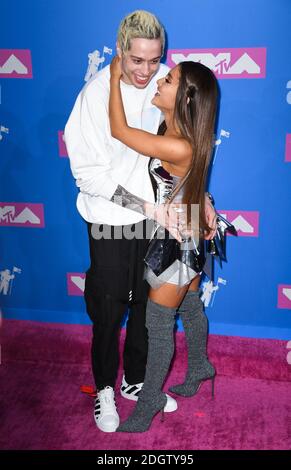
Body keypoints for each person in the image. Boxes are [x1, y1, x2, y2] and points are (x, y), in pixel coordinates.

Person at [65, 10, 217, 433]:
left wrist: (201, 197)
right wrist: (147, 207)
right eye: (136, 61)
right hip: (111, 220)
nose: (147, 71)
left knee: (146, 307)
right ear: (119, 52)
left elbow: (186, 147)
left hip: (159, 221)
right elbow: (88, 175)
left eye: (155, 61)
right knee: (109, 307)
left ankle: (135, 382)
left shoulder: (167, 81)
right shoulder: (97, 94)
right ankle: (104, 389)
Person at [108, 56, 222, 433]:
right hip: (184, 232)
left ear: (185, 99)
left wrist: (113, 78)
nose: (159, 80)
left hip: (176, 243)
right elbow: (188, 186)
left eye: (168, 79)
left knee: (157, 326)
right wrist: (206, 204)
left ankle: (149, 400)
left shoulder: (178, 144)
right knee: (189, 307)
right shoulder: (177, 133)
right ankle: (201, 365)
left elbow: (121, 131)